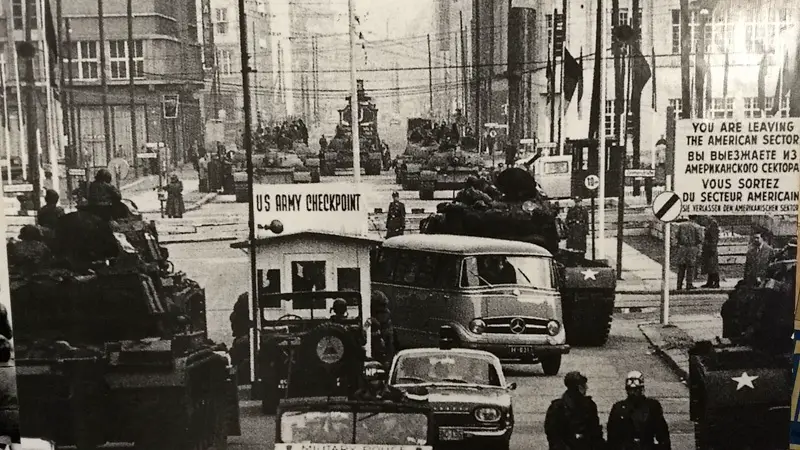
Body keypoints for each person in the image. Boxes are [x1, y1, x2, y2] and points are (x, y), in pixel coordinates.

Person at [607, 371, 671, 450]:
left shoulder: (652, 407)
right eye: (631, 390)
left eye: (636, 390)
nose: (633, 393)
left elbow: (662, 434)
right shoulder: (619, 408)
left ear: (641, 389)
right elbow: (612, 437)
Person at [545, 371, 605, 450]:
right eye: (584, 385)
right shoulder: (558, 408)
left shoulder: (589, 405)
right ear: (579, 388)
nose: (586, 388)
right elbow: (554, 437)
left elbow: (596, 434)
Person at [674, 216, 703, 291]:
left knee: (681, 267)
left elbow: (676, 236)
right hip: (692, 248)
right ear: (696, 218)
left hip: (682, 248)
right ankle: (689, 284)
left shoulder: (681, 225)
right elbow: (700, 239)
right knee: (690, 267)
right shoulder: (697, 227)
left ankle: (679, 284)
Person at [698, 216, 720, 288]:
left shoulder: (712, 227)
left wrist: (712, 248)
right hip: (709, 249)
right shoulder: (710, 227)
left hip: (711, 249)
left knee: (713, 266)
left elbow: (713, 239)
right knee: (710, 267)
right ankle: (710, 282)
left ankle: (716, 282)